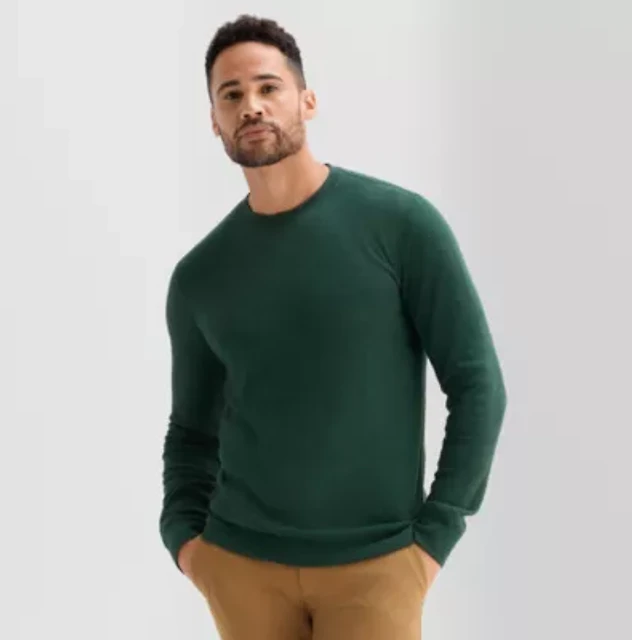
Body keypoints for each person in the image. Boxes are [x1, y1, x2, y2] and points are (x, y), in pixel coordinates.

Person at [159, 14, 507, 640]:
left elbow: (477, 383)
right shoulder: (199, 277)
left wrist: (436, 534)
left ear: (307, 100)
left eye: (268, 87)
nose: (251, 105)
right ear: (214, 121)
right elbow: (190, 430)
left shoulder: (401, 226)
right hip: (241, 568)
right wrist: (188, 542)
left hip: (378, 565)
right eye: (231, 95)